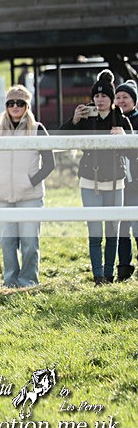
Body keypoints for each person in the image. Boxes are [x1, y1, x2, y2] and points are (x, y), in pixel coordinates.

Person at [60, 70, 134, 285]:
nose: (100, 100)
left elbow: (133, 153)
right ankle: (98, 275)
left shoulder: (120, 119)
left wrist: (125, 138)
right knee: (95, 233)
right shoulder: (85, 118)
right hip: (89, 181)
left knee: (113, 231)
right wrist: (73, 121)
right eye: (96, 96)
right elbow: (62, 140)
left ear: (111, 98)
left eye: (104, 96)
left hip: (115, 181)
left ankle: (109, 275)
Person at [0, 85, 55, 288]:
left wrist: (30, 183)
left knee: (29, 243)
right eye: (11, 103)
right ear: (6, 106)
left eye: (20, 103)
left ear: (27, 106)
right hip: (2, 196)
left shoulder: (38, 130)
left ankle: (28, 280)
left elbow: (49, 164)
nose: (15, 106)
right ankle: (10, 280)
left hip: (30, 196)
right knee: (7, 243)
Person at [114, 79, 138, 281]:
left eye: (126, 97)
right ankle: (123, 267)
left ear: (134, 101)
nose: (121, 100)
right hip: (119, 180)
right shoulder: (111, 120)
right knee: (121, 226)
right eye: (118, 97)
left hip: (136, 181)